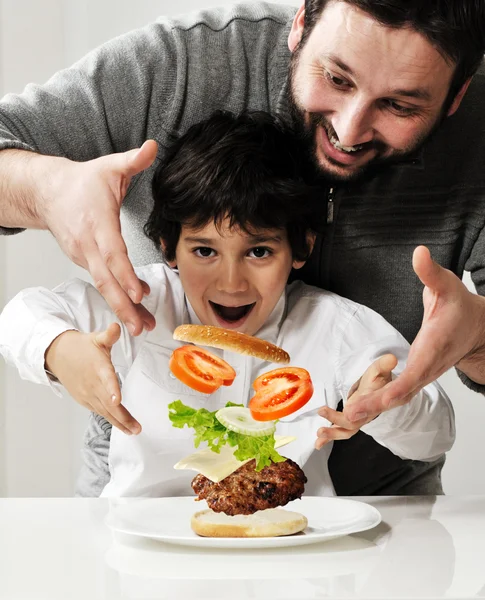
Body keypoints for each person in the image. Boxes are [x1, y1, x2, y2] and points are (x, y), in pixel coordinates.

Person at [0, 0, 484, 495]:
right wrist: (46, 189)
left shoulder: (336, 327)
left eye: (400, 105)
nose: (349, 130)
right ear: (301, 23)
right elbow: (22, 317)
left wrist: (467, 346)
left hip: (344, 535)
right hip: (136, 538)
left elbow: (432, 431)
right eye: (337, 78)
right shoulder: (143, 306)